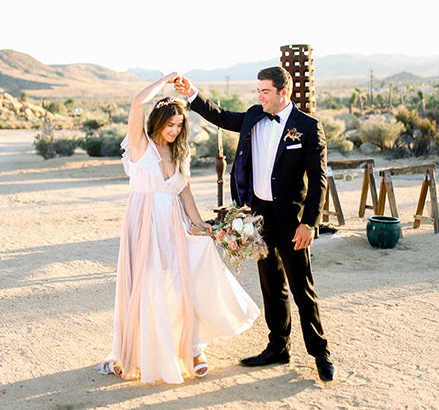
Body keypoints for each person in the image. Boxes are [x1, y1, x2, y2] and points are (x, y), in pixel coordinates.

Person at [174, 66, 337, 382]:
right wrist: (192, 93)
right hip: (259, 216)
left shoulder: (308, 127)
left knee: (302, 289)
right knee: (271, 285)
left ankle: (320, 353)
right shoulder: (253, 115)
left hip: (292, 221)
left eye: (265, 91)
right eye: (258, 91)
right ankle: (278, 347)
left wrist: (310, 223)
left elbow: (318, 180)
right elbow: (221, 116)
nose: (259, 96)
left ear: (282, 92)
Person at [97, 72, 260, 384]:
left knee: (189, 276)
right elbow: (135, 103)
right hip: (144, 220)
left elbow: (184, 192)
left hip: (175, 221)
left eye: (179, 126)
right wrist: (163, 84)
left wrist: (205, 228)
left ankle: (193, 348)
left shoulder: (180, 152)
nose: (174, 132)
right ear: (158, 121)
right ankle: (145, 349)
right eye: (170, 125)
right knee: (147, 285)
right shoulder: (139, 144)